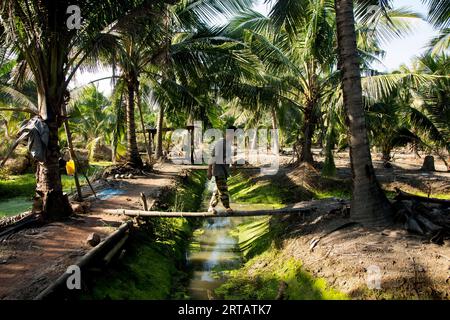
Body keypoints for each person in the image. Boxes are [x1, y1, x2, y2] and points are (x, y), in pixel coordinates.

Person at [207, 126, 236, 214]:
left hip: (223, 170)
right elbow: (212, 157)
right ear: (226, 133)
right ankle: (227, 207)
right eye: (231, 134)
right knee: (223, 189)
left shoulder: (227, 144)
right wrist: (209, 171)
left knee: (217, 191)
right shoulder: (221, 143)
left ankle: (211, 207)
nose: (232, 136)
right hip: (218, 170)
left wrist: (232, 162)